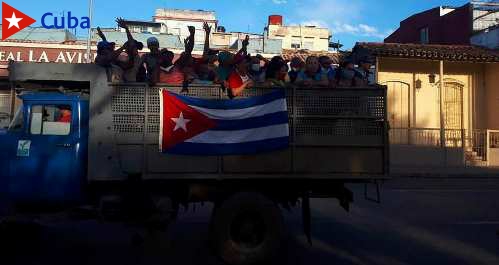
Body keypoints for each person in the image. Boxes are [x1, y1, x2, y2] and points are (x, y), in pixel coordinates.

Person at [116, 18, 144, 82]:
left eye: (126, 46)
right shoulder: (128, 57)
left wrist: (126, 29)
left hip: (131, 84)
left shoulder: (135, 57)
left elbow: (131, 42)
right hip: (125, 85)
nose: (125, 48)